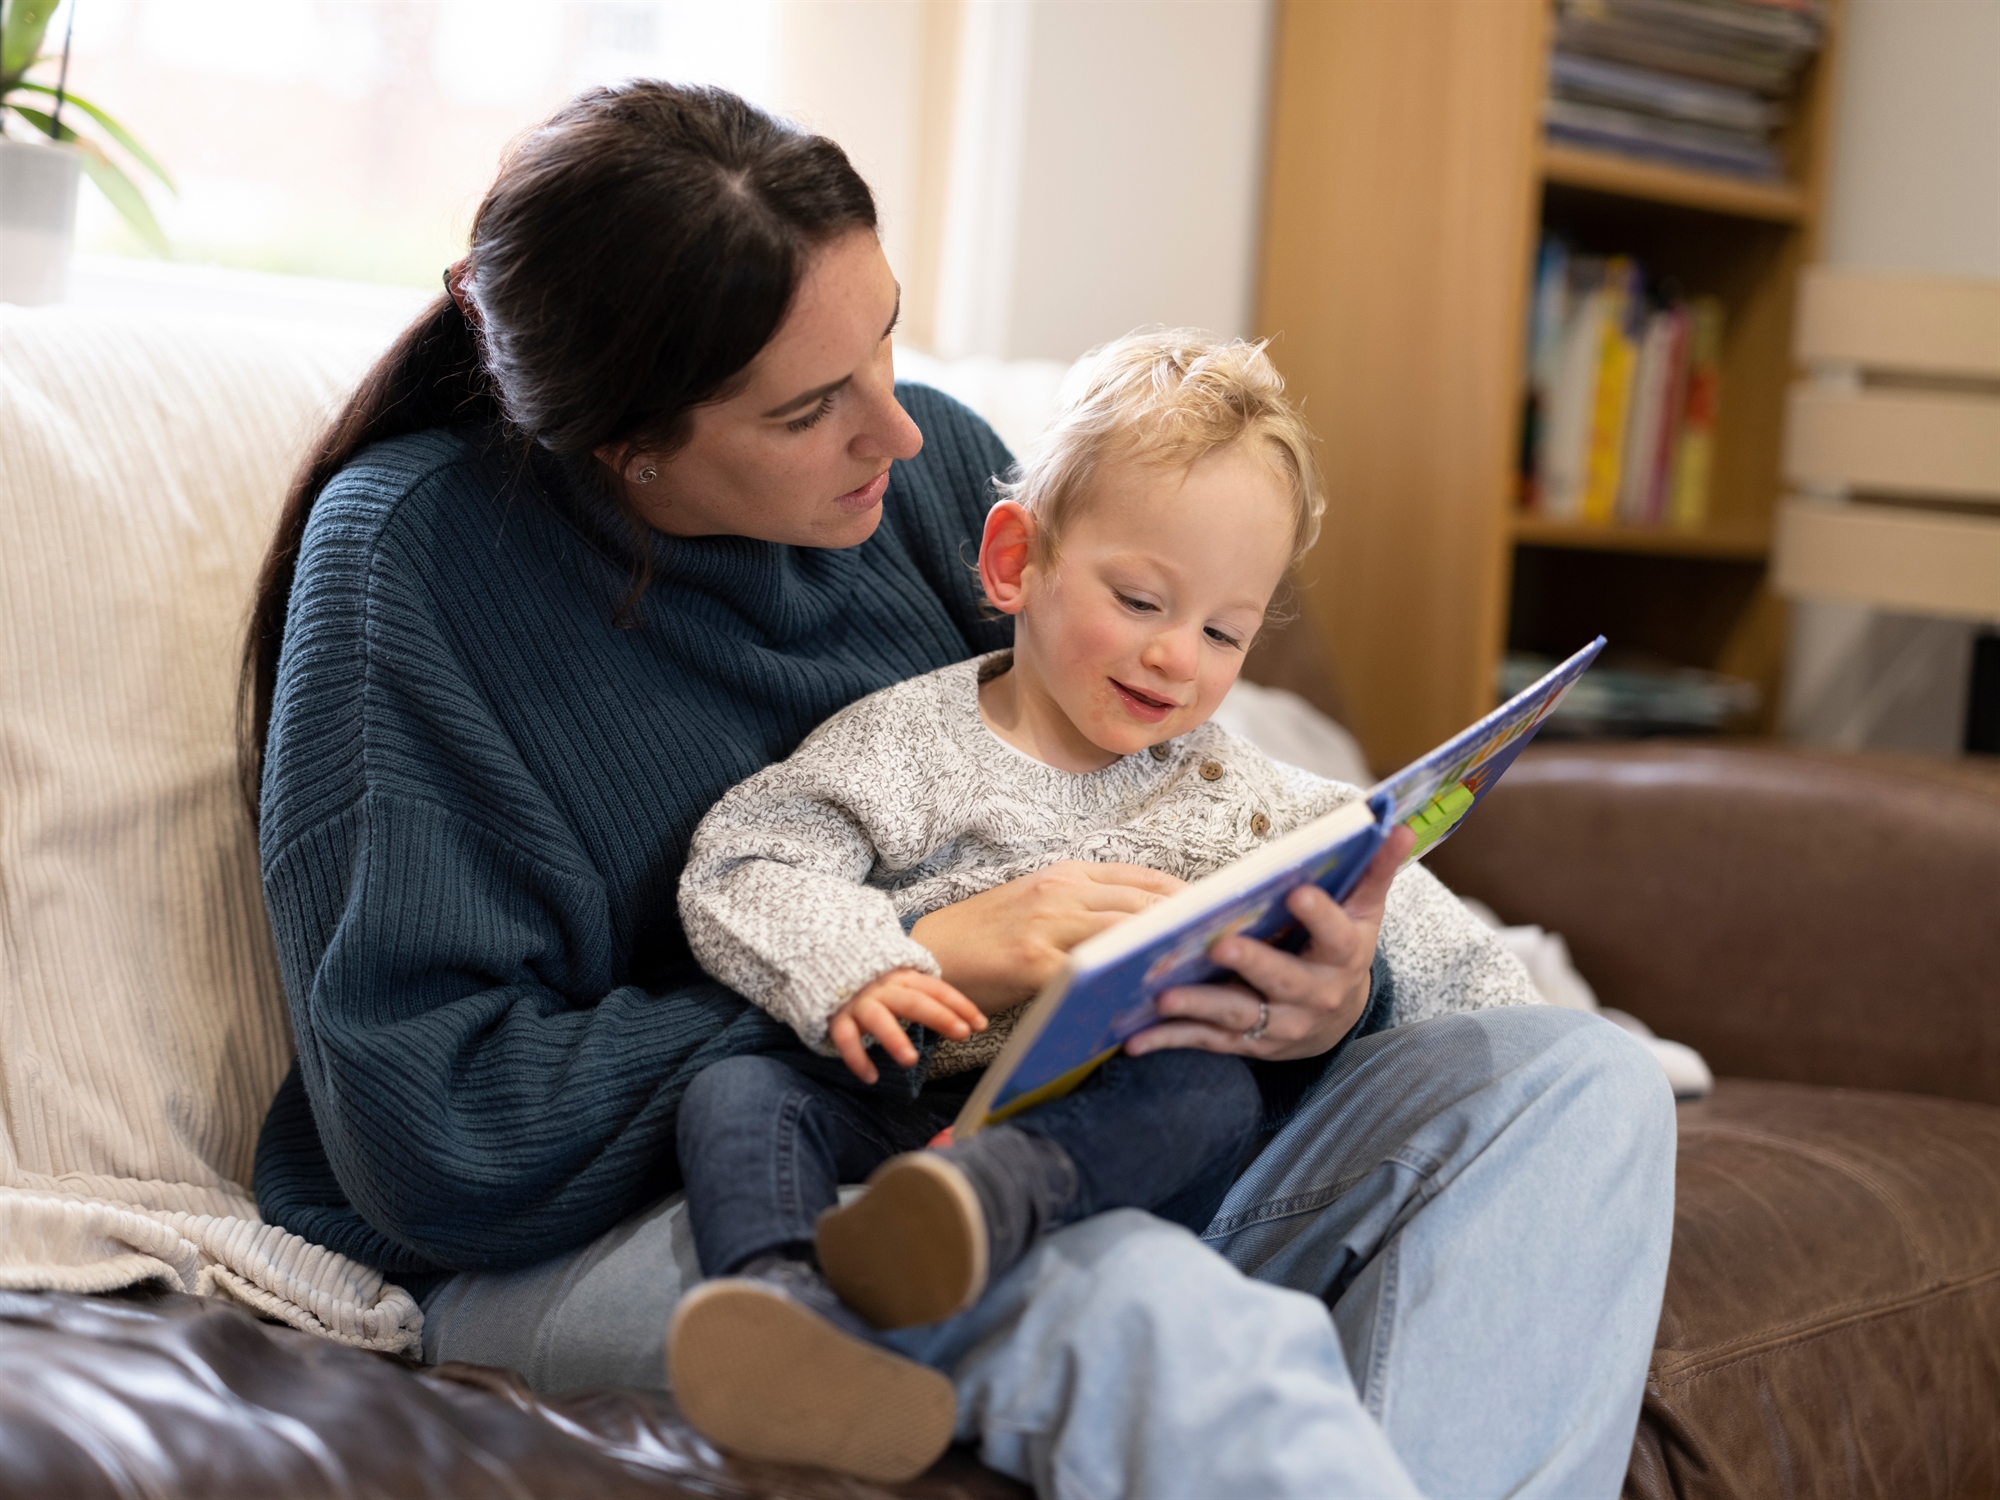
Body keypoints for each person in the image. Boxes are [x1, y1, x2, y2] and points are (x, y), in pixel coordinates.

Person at [244, 79, 1676, 1499]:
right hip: (649, 1218)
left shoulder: (919, 495)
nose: (904, 430)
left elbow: (1121, 777)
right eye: (813, 409)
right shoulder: (414, 564)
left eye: (886, 342)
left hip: (1003, 1138)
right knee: (1129, 1303)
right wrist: (921, 959)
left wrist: (1316, 993)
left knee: (1579, 1085)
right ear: (628, 442)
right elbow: (434, 1131)